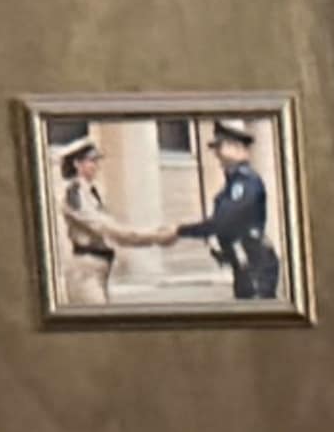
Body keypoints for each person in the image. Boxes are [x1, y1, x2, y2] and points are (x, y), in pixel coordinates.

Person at [53, 134, 173, 309]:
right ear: (77, 164)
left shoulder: (93, 191)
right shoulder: (73, 193)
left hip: (100, 268)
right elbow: (105, 228)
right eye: (91, 161)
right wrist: (152, 236)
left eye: (97, 161)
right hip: (85, 270)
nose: (96, 166)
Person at [174, 118, 284, 302]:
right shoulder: (233, 183)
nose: (216, 153)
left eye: (220, 146)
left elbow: (224, 221)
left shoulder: (246, 182)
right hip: (244, 263)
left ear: (238, 147)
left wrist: (180, 231)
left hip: (255, 264)